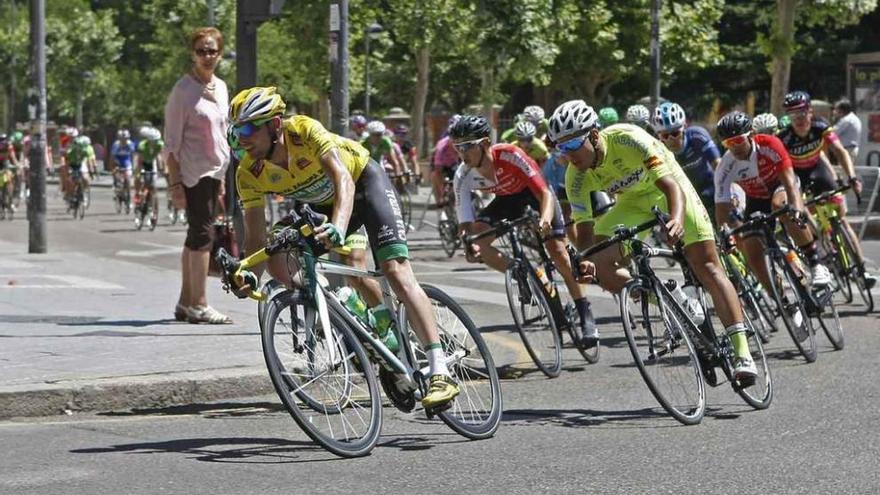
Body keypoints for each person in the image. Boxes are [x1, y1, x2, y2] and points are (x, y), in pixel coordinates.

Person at [228, 86, 459, 409]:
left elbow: (343, 181)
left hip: (363, 186)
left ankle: (440, 370)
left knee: (394, 270)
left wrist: (338, 226)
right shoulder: (247, 172)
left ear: (275, 125)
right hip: (320, 207)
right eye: (238, 130)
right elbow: (255, 239)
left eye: (250, 128)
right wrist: (247, 274)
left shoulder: (304, 130)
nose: (243, 138)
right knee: (278, 260)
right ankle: (341, 304)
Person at [550, 100, 757, 379]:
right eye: (561, 147)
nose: (568, 154)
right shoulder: (575, 176)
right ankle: (671, 300)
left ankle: (742, 352)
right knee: (600, 262)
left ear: (594, 135)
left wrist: (676, 220)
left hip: (669, 188)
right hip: (632, 202)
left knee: (707, 266)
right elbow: (585, 234)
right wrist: (585, 261)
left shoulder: (628, 138)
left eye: (573, 145)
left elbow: (671, 186)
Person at [452, 114, 599, 346]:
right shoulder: (462, 174)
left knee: (558, 252)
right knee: (477, 241)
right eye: (457, 147)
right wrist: (468, 243)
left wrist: (545, 220)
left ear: (485, 143)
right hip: (505, 202)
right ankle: (518, 272)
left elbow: (544, 194)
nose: (462, 153)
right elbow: (465, 222)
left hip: (535, 195)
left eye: (468, 145)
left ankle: (584, 312)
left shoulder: (511, 154)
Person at [714, 111, 832, 293]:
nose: (734, 147)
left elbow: (790, 181)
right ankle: (781, 300)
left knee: (781, 206)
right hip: (757, 198)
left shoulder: (769, 144)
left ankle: (816, 263)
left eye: (738, 141)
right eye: (728, 143)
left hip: (781, 185)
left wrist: (797, 207)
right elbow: (722, 204)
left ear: (751, 135)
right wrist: (724, 232)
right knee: (752, 251)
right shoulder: (726, 165)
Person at [164, 26, 232, 324]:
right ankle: (200, 304)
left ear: (220, 53)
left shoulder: (221, 86)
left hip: (214, 172)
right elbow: (170, 145)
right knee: (202, 236)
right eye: (202, 50)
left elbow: (222, 132)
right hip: (193, 172)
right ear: (192, 54)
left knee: (196, 235)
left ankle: (185, 302)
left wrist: (222, 180)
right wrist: (175, 183)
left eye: (212, 50)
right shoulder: (183, 91)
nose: (207, 56)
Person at [777, 91, 875, 287]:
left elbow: (840, 151)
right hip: (797, 175)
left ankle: (862, 270)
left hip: (818, 169)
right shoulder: (784, 138)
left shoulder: (820, 127)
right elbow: (784, 174)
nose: (799, 119)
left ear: (810, 111)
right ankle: (819, 243)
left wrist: (852, 177)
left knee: (842, 220)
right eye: (793, 115)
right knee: (798, 206)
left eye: (802, 113)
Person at [653, 101, 720, 222]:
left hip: (710, 187)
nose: (672, 139)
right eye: (665, 136)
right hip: (686, 195)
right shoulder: (658, 151)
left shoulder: (697, 135)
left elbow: (718, 164)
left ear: (684, 127)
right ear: (659, 137)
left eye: (675, 133)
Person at [430, 115, 462, 208]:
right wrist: (442, 191)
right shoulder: (442, 146)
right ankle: (440, 199)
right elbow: (438, 170)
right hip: (442, 164)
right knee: (435, 175)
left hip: (456, 162)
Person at [135, 127, 164, 223]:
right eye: (154, 141)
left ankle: (155, 212)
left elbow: (160, 157)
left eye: (157, 140)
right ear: (149, 140)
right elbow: (139, 161)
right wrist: (138, 173)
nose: (156, 142)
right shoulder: (142, 145)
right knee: (143, 182)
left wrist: (161, 169)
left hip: (153, 163)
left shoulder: (160, 145)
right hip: (144, 163)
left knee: (154, 188)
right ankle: (139, 198)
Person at [110, 129, 137, 203]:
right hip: (117, 161)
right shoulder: (116, 145)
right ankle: (116, 187)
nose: (124, 140)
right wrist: (112, 168)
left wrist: (134, 167)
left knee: (128, 177)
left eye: (126, 139)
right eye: (122, 139)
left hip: (126, 161)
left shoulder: (130, 144)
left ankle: (128, 194)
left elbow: (133, 156)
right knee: (116, 175)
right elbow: (112, 158)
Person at [833, 98, 862, 165]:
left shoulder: (846, 120)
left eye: (836, 109)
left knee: (844, 173)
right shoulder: (853, 118)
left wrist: (834, 118)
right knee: (847, 172)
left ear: (841, 110)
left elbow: (833, 133)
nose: (835, 111)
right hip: (850, 149)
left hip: (847, 149)